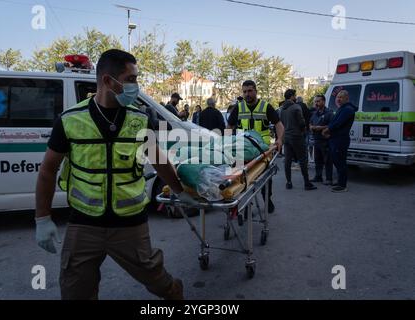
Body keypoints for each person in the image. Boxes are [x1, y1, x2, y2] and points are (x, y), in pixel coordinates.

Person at [34, 49, 198, 300]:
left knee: (158, 280)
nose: (135, 86)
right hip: (83, 224)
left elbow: (157, 159)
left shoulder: (141, 119)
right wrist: (42, 219)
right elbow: (47, 170)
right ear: (108, 81)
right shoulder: (70, 120)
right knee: (75, 290)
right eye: (130, 79)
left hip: (130, 223)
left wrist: (178, 190)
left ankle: (177, 295)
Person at [227, 80, 285, 213]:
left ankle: (267, 198)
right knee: (240, 177)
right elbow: (229, 127)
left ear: (256, 91)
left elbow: (279, 125)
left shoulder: (265, 107)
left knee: (264, 177)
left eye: (250, 91)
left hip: (261, 148)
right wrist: (227, 142)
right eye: (245, 91)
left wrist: (279, 140)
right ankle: (245, 203)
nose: (247, 94)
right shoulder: (239, 107)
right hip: (243, 148)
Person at [280, 89, 317, 191]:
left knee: (287, 160)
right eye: (295, 95)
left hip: (286, 137)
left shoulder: (282, 109)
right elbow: (301, 123)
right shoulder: (296, 107)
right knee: (303, 159)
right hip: (297, 136)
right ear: (292, 96)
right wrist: (303, 131)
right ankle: (307, 183)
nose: (295, 97)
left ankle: (288, 182)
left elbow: (281, 124)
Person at [322, 90, 357, 193]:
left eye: (341, 97)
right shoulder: (342, 108)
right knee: (337, 161)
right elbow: (334, 123)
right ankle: (340, 182)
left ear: (347, 98)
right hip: (336, 139)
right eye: (337, 97)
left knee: (340, 162)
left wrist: (327, 130)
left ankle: (342, 185)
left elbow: (337, 123)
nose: (338, 99)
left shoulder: (347, 109)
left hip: (340, 140)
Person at [309, 94, 334, 185]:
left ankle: (329, 179)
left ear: (323, 101)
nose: (316, 103)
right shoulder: (315, 113)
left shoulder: (329, 113)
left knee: (327, 160)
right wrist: (311, 127)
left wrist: (320, 128)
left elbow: (332, 125)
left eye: (318, 101)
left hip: (325, 140)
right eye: (315, 101)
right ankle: (318, 177)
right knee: (317, 160)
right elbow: (311, 123)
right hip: (317, 140)